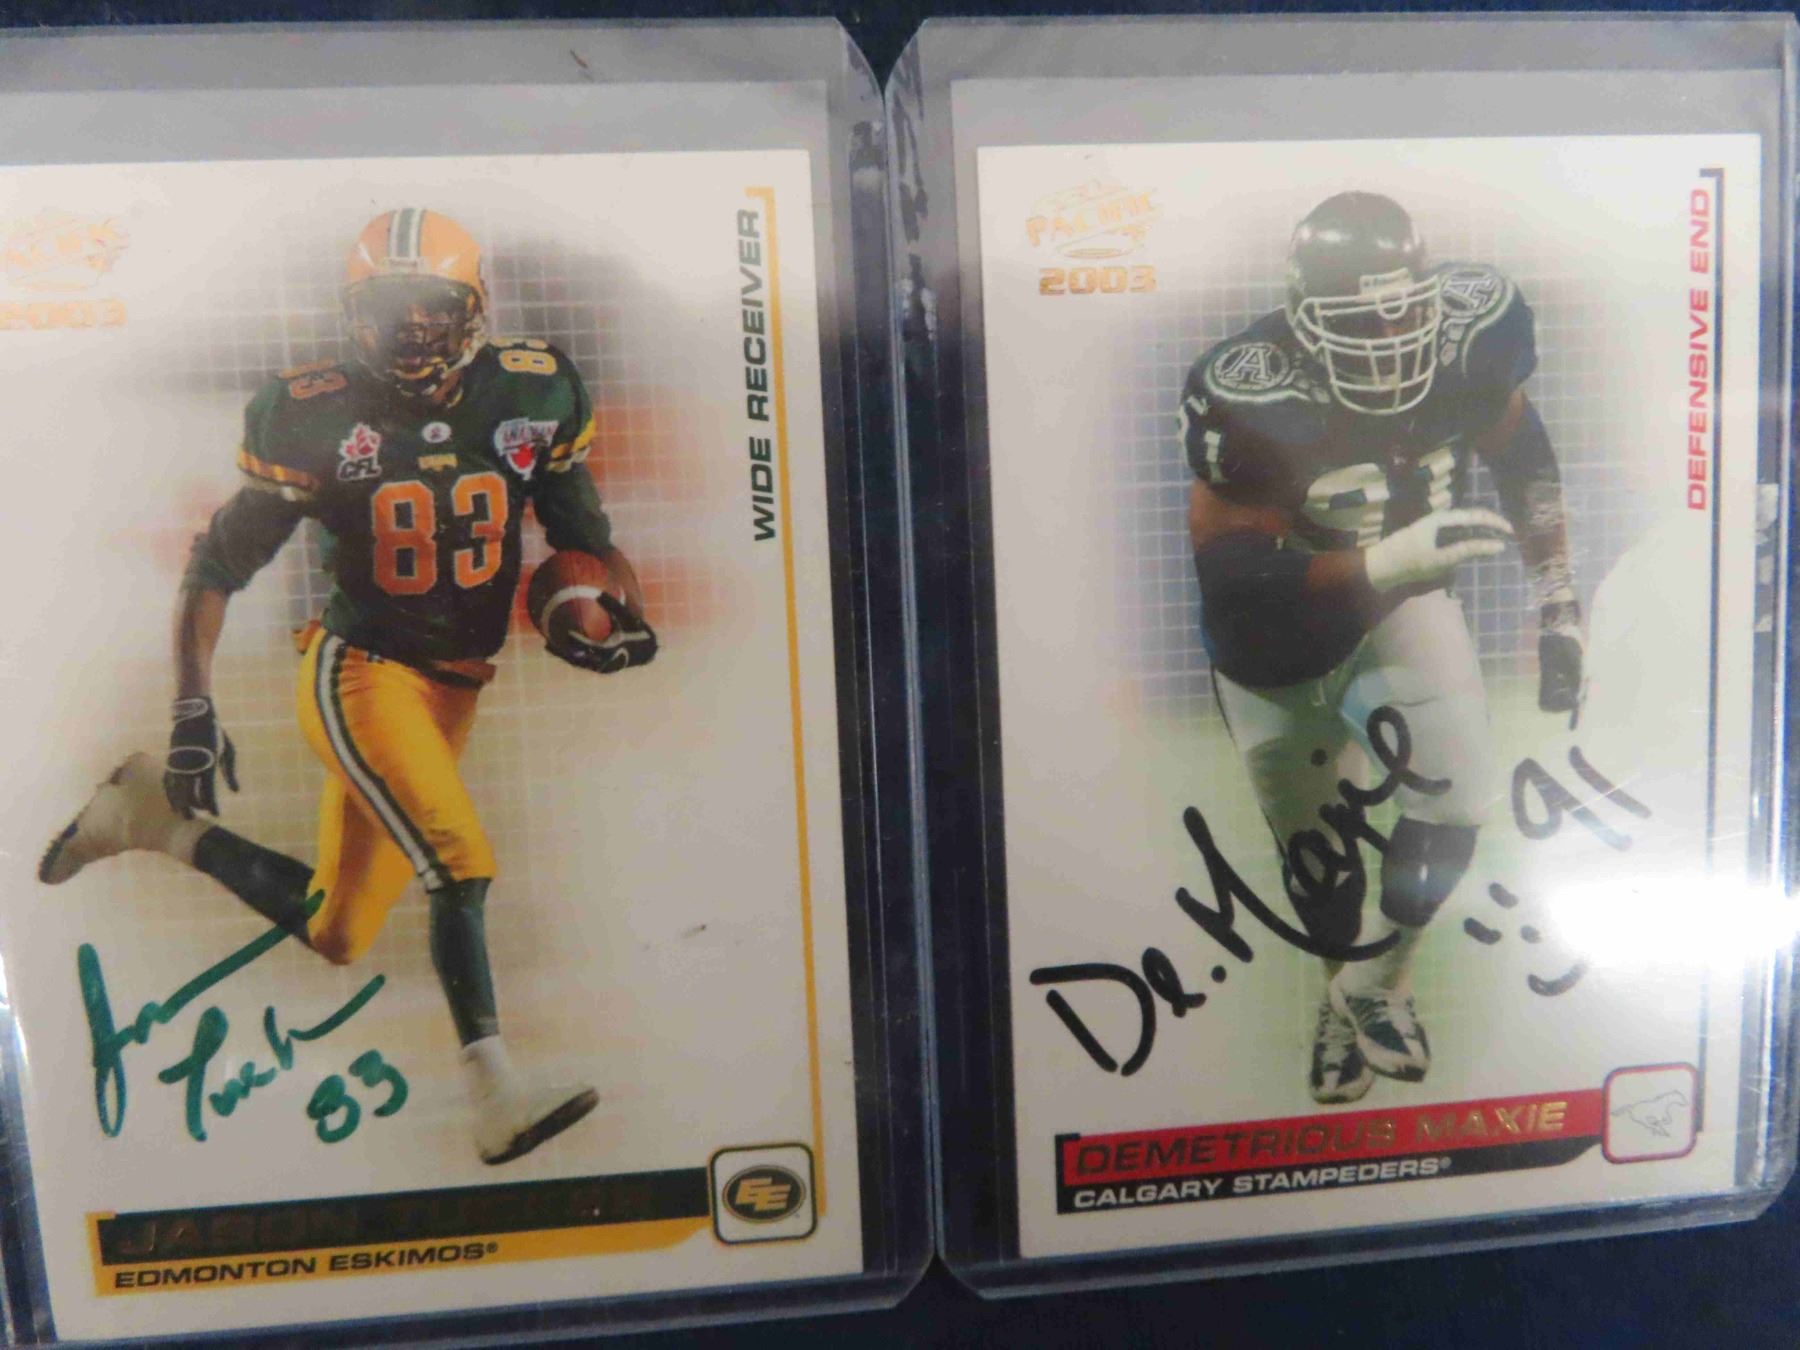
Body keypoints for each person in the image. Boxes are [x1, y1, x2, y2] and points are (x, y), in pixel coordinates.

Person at [41, 207, 658, 1163]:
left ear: (476, 304)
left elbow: (584, 539)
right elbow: (216, 566)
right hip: (361, 672)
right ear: (351, 311)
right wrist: (192, 705)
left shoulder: (532, 389)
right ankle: (494, 1093)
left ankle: (148, 821)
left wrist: (613, 611)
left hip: (455, 686)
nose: (411, 326)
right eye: (389, 306)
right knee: (459, 859)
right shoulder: (315, 410)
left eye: (430, 305)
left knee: (338, 930)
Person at [1179, 192, 1580, 1104]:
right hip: (1270, 646)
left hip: (1402, 608)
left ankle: (1376, 985)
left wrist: (1559, 599)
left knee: (1459, 798)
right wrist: (1391, 556)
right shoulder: (1251, 386)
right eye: (1362, 319)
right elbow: (1234, 574)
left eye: (1405, 310)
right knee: (1318, 858)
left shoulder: (1470, 341)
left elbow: (1522, 452)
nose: (1392, 337)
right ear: (1303, 316)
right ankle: (1339, 1001)